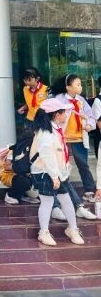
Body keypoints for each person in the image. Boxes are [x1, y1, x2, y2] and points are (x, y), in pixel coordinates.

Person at [30, 98, 85, 246]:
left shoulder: (54, 127)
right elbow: (47, 156)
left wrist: (71, 108)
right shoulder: (46, 133)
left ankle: (73, 229)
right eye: (64, 112)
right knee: (47, 202)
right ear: (56, 115)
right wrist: (55, 177)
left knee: (66, 200)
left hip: (58, 173)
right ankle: (43, 232)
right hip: (44, 172)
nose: (66, 115)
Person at [53, 74, 97, 202]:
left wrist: (89, 125)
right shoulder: (59, 99)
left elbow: (91, 116)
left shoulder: (81, 100)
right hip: (63, 139)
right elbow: (53, 116)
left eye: (80, 84)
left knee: (83, 164)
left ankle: (89, 190)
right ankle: (62, 191)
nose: (81, 87)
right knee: (61, 165)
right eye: (78, 84)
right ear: (68, 87)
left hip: (79, 138)